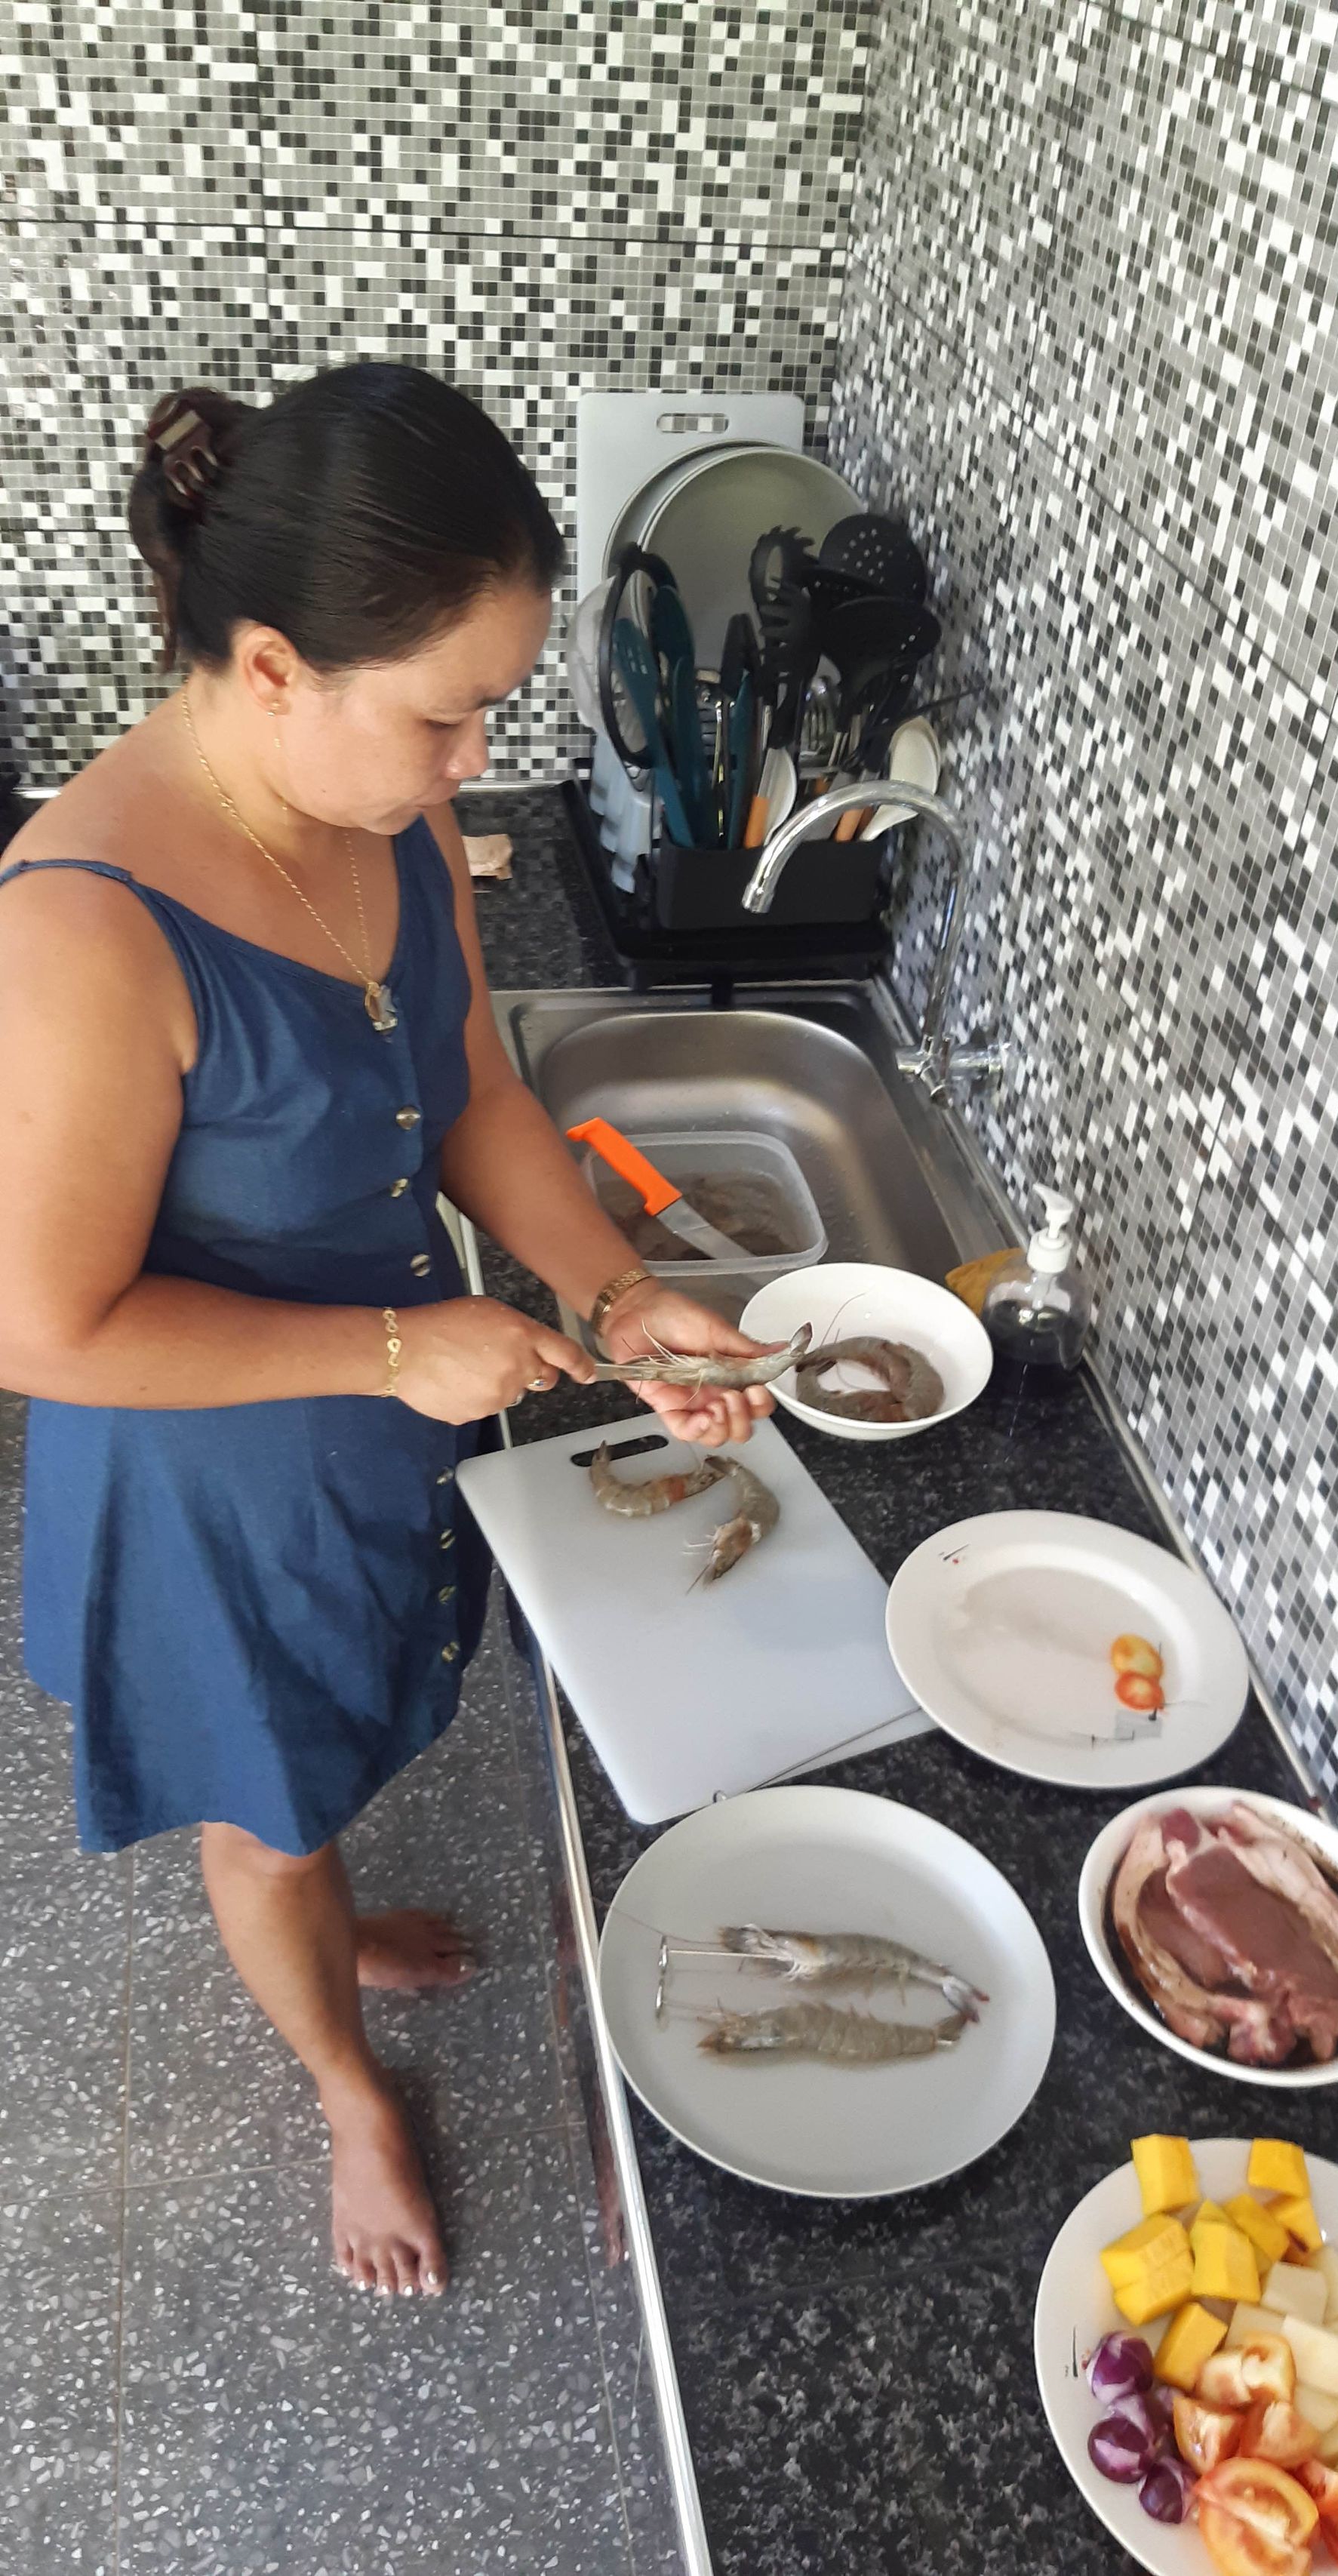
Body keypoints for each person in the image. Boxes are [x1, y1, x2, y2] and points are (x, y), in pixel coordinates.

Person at [0, 362, 774, 2299]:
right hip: (208, 1470)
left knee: (334, 1745)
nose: (473, 754)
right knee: (264, 1820)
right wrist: (390, 1346)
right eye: (447, 711)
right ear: (273, 668)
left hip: (379, 1409)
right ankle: (343, 2079)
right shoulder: (84, 929)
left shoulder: (399, 815)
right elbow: (42, 1323)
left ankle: (330, 1919)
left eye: (489, 704)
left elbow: (479, 1092)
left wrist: (605, 1287)